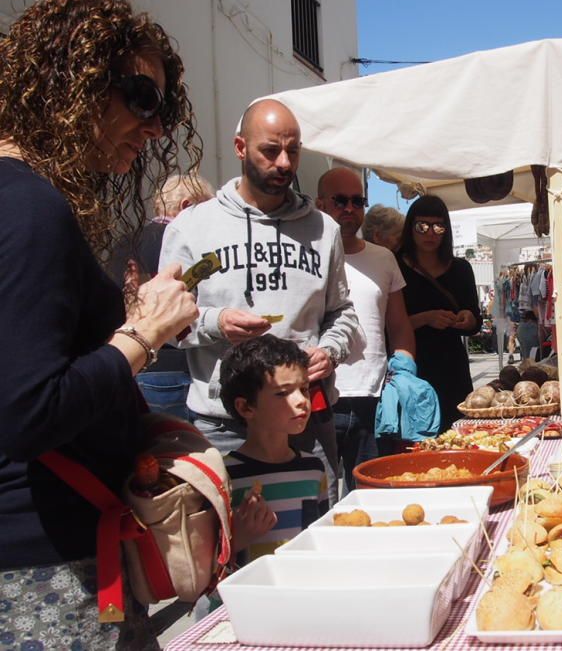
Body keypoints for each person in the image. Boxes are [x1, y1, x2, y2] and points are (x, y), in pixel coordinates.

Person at [0, 0, 201, 648]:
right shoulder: (30, 210)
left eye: (165, 107)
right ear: (70, 82)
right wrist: (144, 335)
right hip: (51, 575)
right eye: (143, 99)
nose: (156, 127)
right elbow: (28, 410)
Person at [160, 99, 362, 504]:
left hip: (304, 422)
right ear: (240, 148)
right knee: (227, 550)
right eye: (270, 150)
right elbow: (164, 324)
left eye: (293, 150)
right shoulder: (193, 227)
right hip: (222, 426)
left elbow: (342, 312)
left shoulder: (323, 229)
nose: (285, 163)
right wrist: (217, 322)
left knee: (312, 537)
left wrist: (330, 350)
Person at [316, 167, 415, 484]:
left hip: (374, 397)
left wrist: (405, 375)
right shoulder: (307, 257)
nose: (349, 209)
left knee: (375, 493)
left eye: (358, 201)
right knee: (324, 501)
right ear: (321, 204)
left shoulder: (384, 258)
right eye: (340, 201)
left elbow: (399, 326)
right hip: (320, 395)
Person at [108, 173, 214, 419]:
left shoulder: (124, 243)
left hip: (133, 363)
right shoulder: (188, 245)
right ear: (187, 205)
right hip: (182, 365)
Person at [219, 335, 328, 563]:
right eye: (282, 393)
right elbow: (205, 563)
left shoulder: (313, 469)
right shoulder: (223, 477)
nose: (301, 401)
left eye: (304, 389)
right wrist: (237, 538)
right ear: (246, 406)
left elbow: (319, 539)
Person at [397, 195, 481, 430]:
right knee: (415, 438)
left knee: (455, 434)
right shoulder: (394, 265)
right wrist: (425, 318)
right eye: (422, 226)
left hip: (451, 368)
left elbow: (475, 319)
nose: (430, 233)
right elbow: (386, 325)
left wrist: (468, 318)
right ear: (410, 227)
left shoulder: (461, 269)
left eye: (438, 226)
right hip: (412, 367)